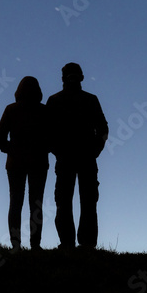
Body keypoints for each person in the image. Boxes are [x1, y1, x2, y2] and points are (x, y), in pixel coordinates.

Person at [46, 63, 108, 249]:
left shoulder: (87, 99)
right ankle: (71, 243)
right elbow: (47, 131)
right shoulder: (56, 100)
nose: (72, 78)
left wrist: (96, 148)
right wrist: (57, 149)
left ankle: (81, 243)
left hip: (82, 157)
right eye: (70, 75)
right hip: (71, 157)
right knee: (69, 201)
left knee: (83, 201)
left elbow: (103, 127)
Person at [0, 76, 50, 252]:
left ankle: (16, 245)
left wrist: (11, 150)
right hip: (38, 162)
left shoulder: (11, 109)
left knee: (15, 203)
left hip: (15, 162)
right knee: (36, 204)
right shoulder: (44, 111)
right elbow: (53, 137)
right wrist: (43, 148)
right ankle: (35, 245)